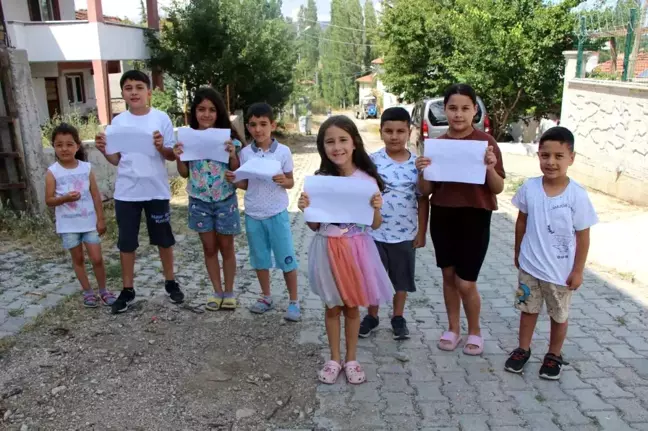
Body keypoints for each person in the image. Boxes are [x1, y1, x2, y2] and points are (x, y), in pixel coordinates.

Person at [298, 115, 393, 385]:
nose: (336, 147)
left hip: (356, 249)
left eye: (342, 140)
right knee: (332, 306)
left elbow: (374, 224)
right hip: (327, 248)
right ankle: (334, 358)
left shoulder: (366, 180)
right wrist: (306, 208)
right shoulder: (319, 181)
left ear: (354, 144)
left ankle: (351, 359)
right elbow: (315, 225)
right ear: (322, 147)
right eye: (329, 141)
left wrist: (375, 207)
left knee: (352, 307)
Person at [416, 83, 506, 355]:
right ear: (445, 110)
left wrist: (490, 167)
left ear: (475, 111)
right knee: (448, 276)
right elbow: (426, 191)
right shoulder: (436, 145)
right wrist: (422, 171)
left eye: (465, 108)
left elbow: (498, 187)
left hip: (475, 216)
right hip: (443, 215)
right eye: (453, 108)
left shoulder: (486, 143)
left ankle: (475, 331)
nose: (458, 114)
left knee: (466, 281)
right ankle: (453, 328)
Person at [505, 127, 597, 380]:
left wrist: (578, 270)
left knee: (559, 314)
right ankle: (522, 350)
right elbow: (521, 221)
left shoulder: (577, 195)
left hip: (560, 273)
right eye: (545, 156)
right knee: (528, 309)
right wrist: (517, 251)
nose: (551, 162)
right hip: (530, 266)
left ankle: (553, 354)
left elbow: (583, 235)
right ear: (538, 156)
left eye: (559, 156)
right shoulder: (529, 188)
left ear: (571, 158)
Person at [95, 70, 184, 314]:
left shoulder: (161, 118)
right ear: (123, 93)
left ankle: (170, 282)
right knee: (127, 243)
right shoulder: (118, 122)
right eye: (128, 88)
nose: (133, 92)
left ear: (148, 92)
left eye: (138, 87)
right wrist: (104, 150)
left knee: (164, 239)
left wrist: (160, 146)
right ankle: (127, 289)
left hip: (156, 190)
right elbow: (116, 159)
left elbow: (169, 155)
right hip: (127, 192)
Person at [225, 103, 301, 321]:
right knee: (260, 259)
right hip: (253, 214)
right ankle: (266, 296)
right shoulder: (246, 153)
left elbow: (291, 182)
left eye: (263, 124)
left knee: (286, 258)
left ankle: (294, 301)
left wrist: (283, 181)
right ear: (248, 127)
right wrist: (234, 179)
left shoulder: (283, 152)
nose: (258, 129)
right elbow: (246, 184)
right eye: (253, 125)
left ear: (272, 125)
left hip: (277, 213)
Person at [359, 107, 429, 340]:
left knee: (401, 279)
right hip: (375, 233)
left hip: (405, 234)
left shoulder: (417, 165)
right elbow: (361, 194)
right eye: (388, 131)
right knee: (374, 276)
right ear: (381, 132)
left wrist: (421, 232)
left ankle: (398, 317)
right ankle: (372, 315)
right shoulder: (372, 162)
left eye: (400, 131)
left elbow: (422, 198)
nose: (394, 136)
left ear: (409, 132)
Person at [173, 87, 243, 311]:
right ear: (194, 112)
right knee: (209, 248)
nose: (206, 114)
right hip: (199, 201)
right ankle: (216, 291)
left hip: (225, 200)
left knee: (227, 247)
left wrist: (232, 154)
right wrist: (178, 157)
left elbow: (236, 171)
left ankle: (229, 292)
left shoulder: (228, 139)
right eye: (201, 109)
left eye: (212, 110)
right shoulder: (187, 139)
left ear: (219, 112)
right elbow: (184, 173)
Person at [45, 123, 116, 308]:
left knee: (97, 258)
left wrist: (100, 219)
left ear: (77, 146)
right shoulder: (53, 172)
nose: (64, 149)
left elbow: (95, 195)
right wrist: (64, 198)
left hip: (89, 222)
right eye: (59, 144)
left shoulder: (86, 168)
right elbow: (49, 200)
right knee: (78, 260)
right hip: (68, 226)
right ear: (54, 146)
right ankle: (88, 292)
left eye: (69, 144)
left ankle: (103, 290)